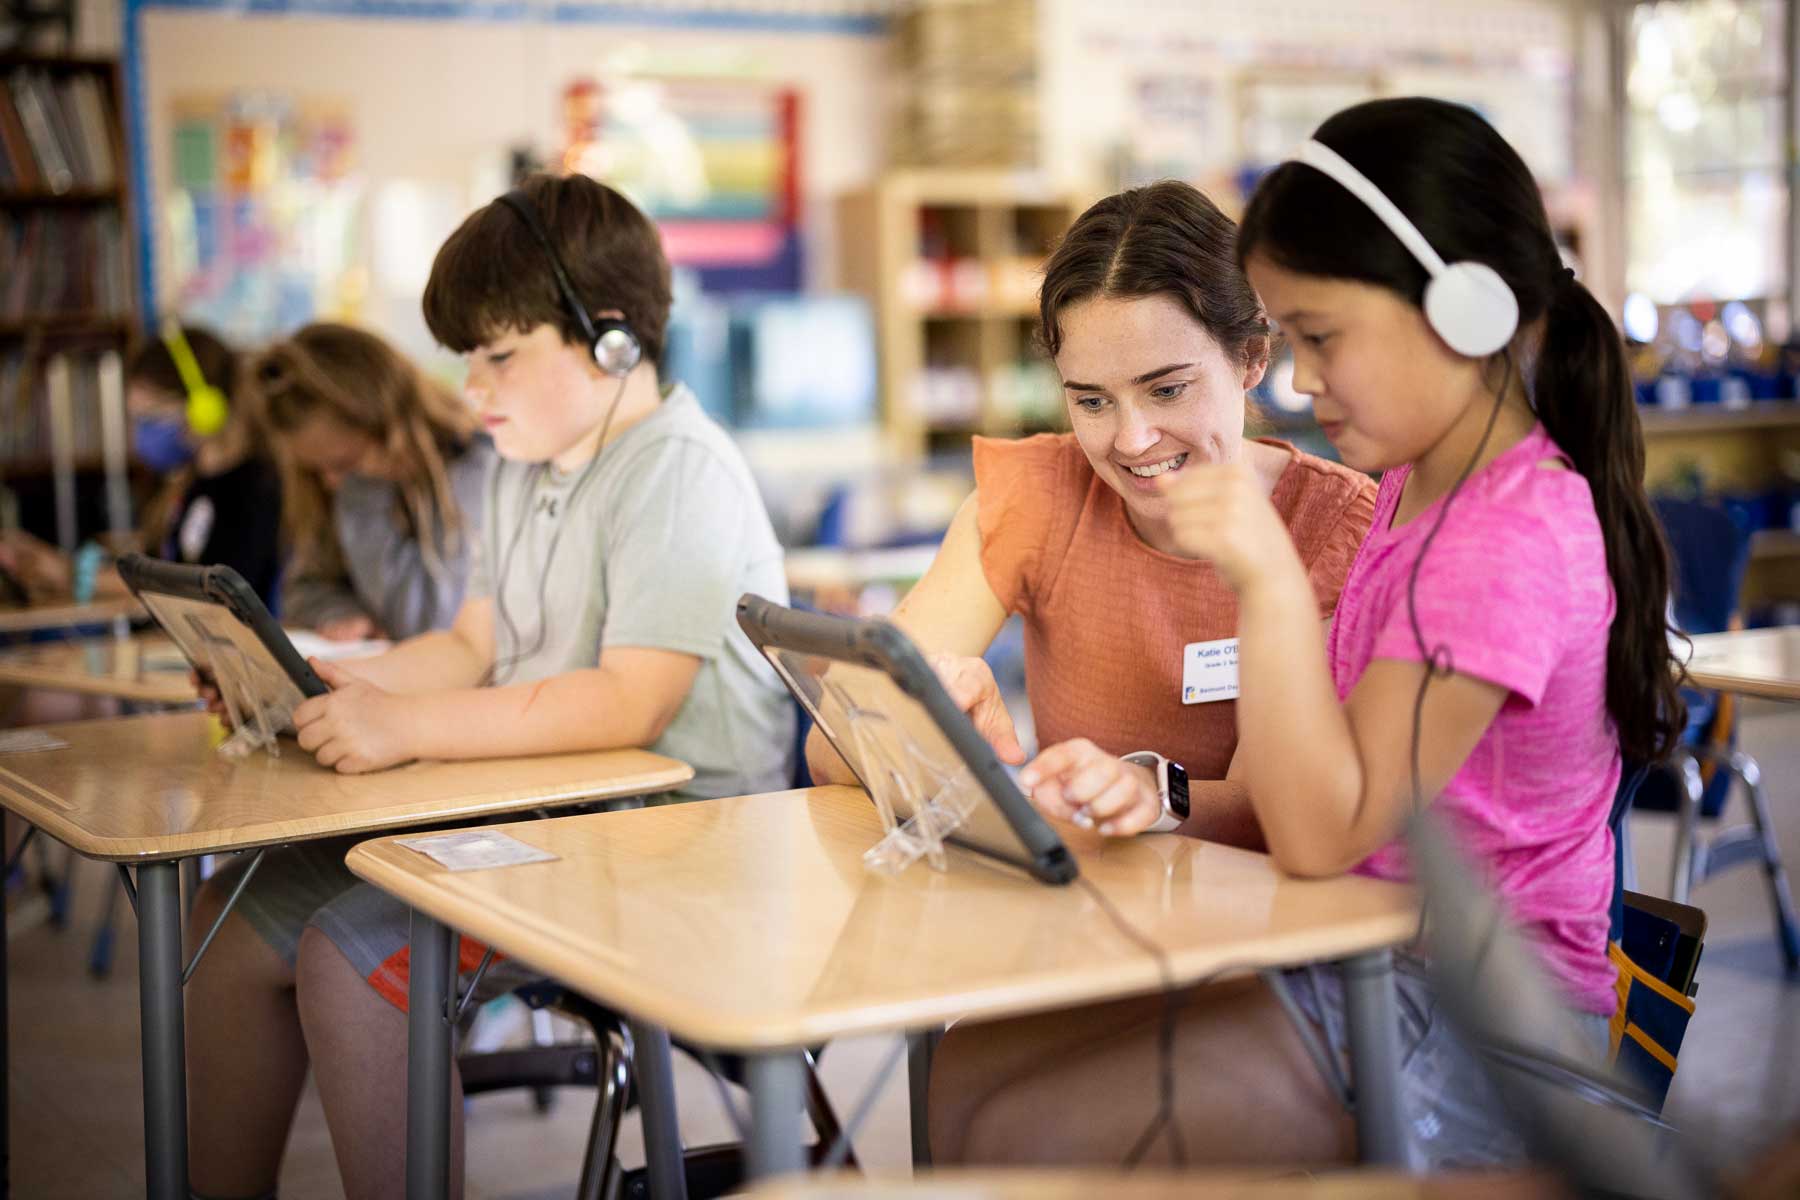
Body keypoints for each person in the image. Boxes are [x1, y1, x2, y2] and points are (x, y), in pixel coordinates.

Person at [928, 97, 1685, 1172]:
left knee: (1021, 1128)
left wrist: (1268, 581)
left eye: (1322, 339)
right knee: (965, 1068)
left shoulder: (1503, 538)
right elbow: (1314, 813)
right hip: (1348, 955)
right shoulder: (1420, 489)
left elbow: (1321, 833)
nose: (1300, 380)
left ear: (1463, 312)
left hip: (1479, 1023)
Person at [182, 174, 794, 1200]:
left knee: (348, 961)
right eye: (466, 357)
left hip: (674, 852)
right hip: (549, 819)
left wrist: (406, 727)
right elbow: (472, 642)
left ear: (612, 342)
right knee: (226, 919)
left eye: (499, 355)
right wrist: (329, 688)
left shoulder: (677, 472)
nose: (471, 387)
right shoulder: (524, 462)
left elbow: (627, 703)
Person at [808, 179, 1376, 851]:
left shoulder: (1339, 530)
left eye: (1167, 390)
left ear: (1251, 357)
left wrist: (1148, 793)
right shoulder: (1038, 493)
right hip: (1083, 898)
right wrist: (926, 715)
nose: (1132, 440)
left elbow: (1275, 811)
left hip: (1259, 910)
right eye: (1092, 402)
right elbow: (830, 745)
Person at [0, 325, 282, 608]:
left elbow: (210, 592)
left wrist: (73, 576)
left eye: (150, 419)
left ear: (204, 409)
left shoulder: (255, 490)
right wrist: (65, 568)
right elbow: (161, 570)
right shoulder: (192, 485)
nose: (140, 438)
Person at [246, 322, 493, 642]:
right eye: (315, 470)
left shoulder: (473, 471)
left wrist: (364, 494)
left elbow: (429, 622)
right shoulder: (332, 482)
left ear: (391, 427)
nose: (332, 482)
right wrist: (340, 612)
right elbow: (303, 587)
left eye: (344, 464)